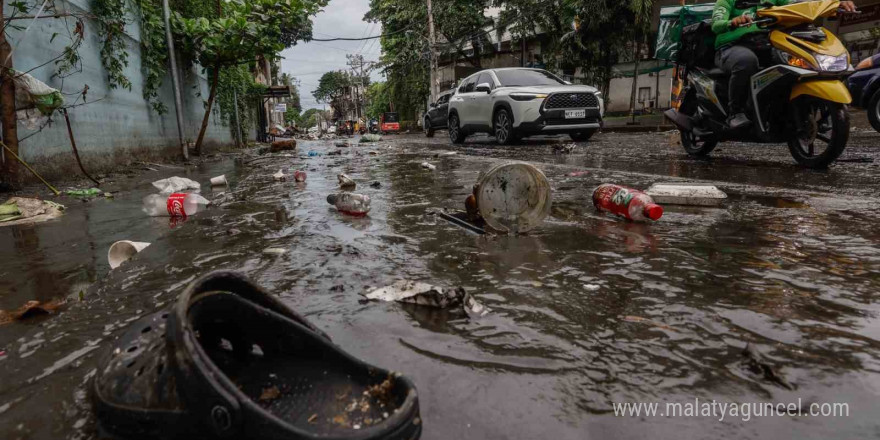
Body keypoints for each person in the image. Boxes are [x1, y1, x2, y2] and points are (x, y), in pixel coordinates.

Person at [711, 0, 856, 129]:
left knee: (796, 64)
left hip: (765, 43)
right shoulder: (727, 1)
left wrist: (834, 4)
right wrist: (733, 21)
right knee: (746, 62)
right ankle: (735, 112)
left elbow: (798, 6)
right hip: (731, 47)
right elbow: (716, 25)